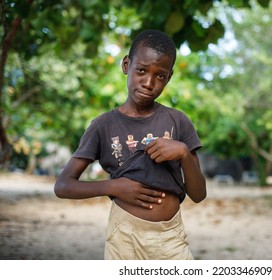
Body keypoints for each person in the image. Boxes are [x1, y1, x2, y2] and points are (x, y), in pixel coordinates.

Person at [54, 30, 207, 260]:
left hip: (171, 237)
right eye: (141, 70)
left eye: (160, 76)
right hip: (123, 237)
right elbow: (63, 186)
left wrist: (184, 153)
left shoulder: (178, 121)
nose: (148, 83)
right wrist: (114, 187)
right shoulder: (102, 125)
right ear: (126, 64)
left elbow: (199, 194)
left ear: (170, 77)